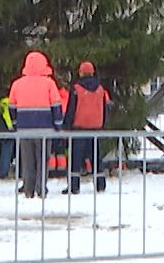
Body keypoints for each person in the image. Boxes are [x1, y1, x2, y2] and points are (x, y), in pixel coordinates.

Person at [8, 50, 63, 198]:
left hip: (24, 129)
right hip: (45, 129)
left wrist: (15, 124)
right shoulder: (49, 84)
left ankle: (28, 189)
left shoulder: (17, 84)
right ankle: (41, 188)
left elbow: (11, 107)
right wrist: (58, 126)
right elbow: (56, 106)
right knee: (43, 160)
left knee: (27, 161)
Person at [65, 61, 112, 194]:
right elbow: (105, 109)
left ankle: (74, 186)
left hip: (79, 128)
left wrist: (66, 125)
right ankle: (100, 185)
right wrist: (103, 125)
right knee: (96, 158)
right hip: (96, 128)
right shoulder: (101, 89)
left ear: (80, 73)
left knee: (76, 158)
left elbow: (71, 109)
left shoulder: (76, 89)